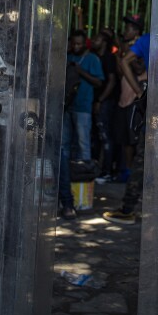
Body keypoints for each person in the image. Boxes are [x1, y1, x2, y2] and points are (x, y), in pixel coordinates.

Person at [102, 18, 150, 225]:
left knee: (143, 157)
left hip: (152, 105)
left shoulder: (149, 40)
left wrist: (139, 91)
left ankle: (128, 208)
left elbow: (124, 62)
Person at [59, 30, 103, 220]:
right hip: (66, 106)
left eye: (79, 44)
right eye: (73, 44)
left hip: (83, 106)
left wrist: (80, 71)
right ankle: (68, 190)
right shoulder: (66, 56)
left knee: (84, 146)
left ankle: (83, 192)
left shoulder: (92, 58)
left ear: (84, 44)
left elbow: (99, 82)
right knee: (65, 147)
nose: (76, 47)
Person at [91, 28, 120, 183]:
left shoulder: (108, 58)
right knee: (97, 136)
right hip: (99, 100)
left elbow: (112, 81)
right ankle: (99, 170)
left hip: (106, 101)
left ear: (104, 42)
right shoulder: (96, 56)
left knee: (105, 136)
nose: (93, 41)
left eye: (96, 39)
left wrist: (101, 100)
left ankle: (107, 171)